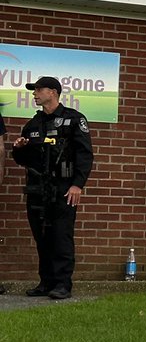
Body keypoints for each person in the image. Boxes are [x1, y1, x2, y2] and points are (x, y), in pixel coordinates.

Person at [10, 76, 94, 301]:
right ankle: (46, 282)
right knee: (42, 237)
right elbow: (24, 160)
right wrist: (19, 149)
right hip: (38, 189)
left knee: (61, 236)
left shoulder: (74, 120)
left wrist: (78, 184)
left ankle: (62, 284)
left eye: (39, 89)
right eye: (34, 90)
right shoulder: (33, 124)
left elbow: (85, 155)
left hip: (64, 188)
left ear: (53, 92)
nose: (35, 94)